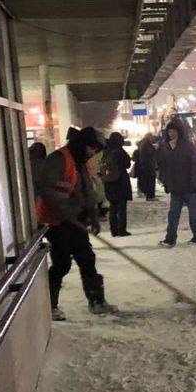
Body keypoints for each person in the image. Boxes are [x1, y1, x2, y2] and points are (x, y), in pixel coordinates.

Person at [35, 126, 114, 320]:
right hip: (54, 222)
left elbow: (87, 193)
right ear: (82, 144)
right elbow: (48, 192)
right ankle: (50, 306)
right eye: (92, 148)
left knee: (87, 259)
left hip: (74, 221)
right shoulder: (58, 159)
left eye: (96, 150)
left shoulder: (80, 162)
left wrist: (93, 216)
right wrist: (68, 215)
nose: (93, 153)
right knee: (62, 263)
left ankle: (97, 301)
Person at [157, 119, 196, 246]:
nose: (171, 133)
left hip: (189, 186)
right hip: (175, 187)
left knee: (194, 215)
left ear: (179, 131)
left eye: (173, 131)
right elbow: (163, 166)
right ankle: (170, 238)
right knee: (173, 215)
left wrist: (195, 181)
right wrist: (165, 181)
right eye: (169, 131)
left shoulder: (188, 146)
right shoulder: (166, 147)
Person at [100, 131, 133, 237]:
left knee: (113, 207)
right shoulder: (119, 151)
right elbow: (127, 164)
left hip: (109, 182)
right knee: (121, 207)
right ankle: (122, 230)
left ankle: (113, 230)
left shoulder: (106, 151)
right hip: (120, 181)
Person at [132, 133, 159, 201]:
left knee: (146, 180)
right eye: (151, 137)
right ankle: (150, 196)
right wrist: (155, 150)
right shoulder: (146, 144)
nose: (152, 139)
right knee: (150, 181)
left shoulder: (143, 143)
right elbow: (150, 153)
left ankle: (147, 194)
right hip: (148, 166)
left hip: (145, 165)